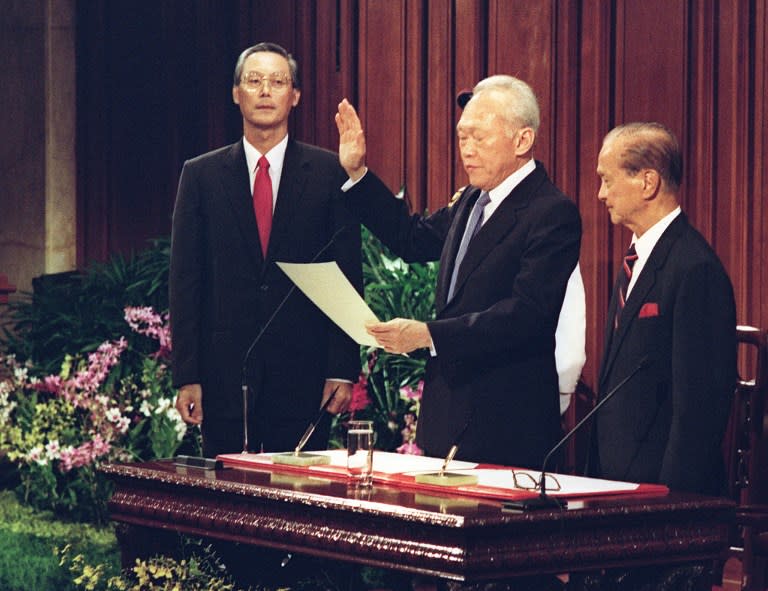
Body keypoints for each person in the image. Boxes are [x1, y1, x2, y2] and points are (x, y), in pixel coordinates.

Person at [336, 75, 582, 469]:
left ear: (522, 141)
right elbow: (411, 238)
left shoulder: (551, 212)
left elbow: (527, 315)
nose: (466, 149)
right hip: (447, 417)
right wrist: (358, 174)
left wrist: (427, 334)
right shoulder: (471, 198)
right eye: (462, 137)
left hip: (502, 424)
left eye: (479, 138)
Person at [170, 43, 362, 459]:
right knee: (225, 503)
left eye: (277, 82)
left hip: (305, 374)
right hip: (223, 376)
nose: (265, 91)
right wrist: (188, 375)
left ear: (294, 96)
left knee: (298, 502)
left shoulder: (330, 173)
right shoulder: (200, 176)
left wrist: (342, 368)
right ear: (236, 93)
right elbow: (186, 281)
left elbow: (347, 274)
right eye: (253, 81)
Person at [589, 122, 736, 495]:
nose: (600, 194)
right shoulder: (636, 259)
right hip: (617, 485)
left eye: (608, 180)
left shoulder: (694, 268)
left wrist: (671, 503)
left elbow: (698, 409)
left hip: (662, 497)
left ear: (647, 182)